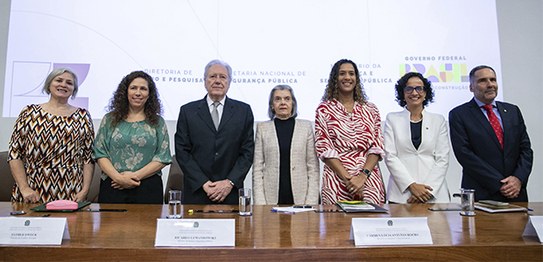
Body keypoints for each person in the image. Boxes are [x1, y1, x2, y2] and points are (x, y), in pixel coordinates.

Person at [8, 68, 95, 203]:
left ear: (74, 89)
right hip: (32, 189)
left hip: (71, 190)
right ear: (49, 84)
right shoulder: (29, 112)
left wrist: (85, 190)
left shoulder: (83, 115)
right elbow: (14, 153)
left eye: (69, 83)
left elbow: (88, 157)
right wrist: (24, 188)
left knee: (71, 225)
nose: (63, 85)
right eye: (59, 80)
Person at [175, 59, 254, 204]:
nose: (217, 81)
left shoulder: (243, 111)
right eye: (212, 76)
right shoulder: (187, 111)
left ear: (229, 82)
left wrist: (229, 182)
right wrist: (203, 183)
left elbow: (247, 152)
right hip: (197, 192)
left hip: (230, 193)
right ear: (204, 81)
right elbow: (182, 151)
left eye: (223, 77)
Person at [449, 65, 533, 201]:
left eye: (493, 80)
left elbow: (526, 150)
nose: (490, 85)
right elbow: (464, 154)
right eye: (482, 81)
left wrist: (518, 179)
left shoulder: (512, 111)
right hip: (482, 193)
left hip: (516, 192)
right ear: (471, 87)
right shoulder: (459, 114)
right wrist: (500, 183)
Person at [314, 59, 386, 205]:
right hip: (336, 179)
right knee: (336, 227)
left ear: (356, 79)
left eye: (351, 73)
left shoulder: (371, 109)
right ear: (335, 79)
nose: (347, 77)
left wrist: (361, 177)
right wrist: (349, 180)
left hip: (368, 179)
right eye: (342, 74)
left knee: (370, 225)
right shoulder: (324, 109)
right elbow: (324, 148)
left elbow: (376, 147)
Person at [93, 71, 171, 204]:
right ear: (125, 92)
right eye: (133, 88)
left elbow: (162, 157)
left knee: (147, 225)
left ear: (149, 94)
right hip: (113, 185)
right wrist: (118, 178)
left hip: (147, 187)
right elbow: (100, 153)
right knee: (110, 225)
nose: (138, 93)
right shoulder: (110, 119)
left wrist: (133, 178)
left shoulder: (158, 122)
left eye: (143, 89)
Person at [384, 72, 450, 203]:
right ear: (402, 93)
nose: (414, 93)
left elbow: (443, 158)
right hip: (401, 194)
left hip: (433, 194)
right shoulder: (392, 119)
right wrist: (411, 185)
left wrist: (426, 191)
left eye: (419, 88)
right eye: (409, 89)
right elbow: (390, 156)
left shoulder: (438, 120)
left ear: (425, 93)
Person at [252, 85, 320, 205]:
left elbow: (313, 168)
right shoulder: (263, 128)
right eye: (277, 99)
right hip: (271, 198)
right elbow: (257, 169)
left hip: (301, 198)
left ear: (293, 103)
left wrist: (311, 202)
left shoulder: (306, 127)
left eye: (287, 99)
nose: (282, 102)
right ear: (272, 105)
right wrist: (260, 204)